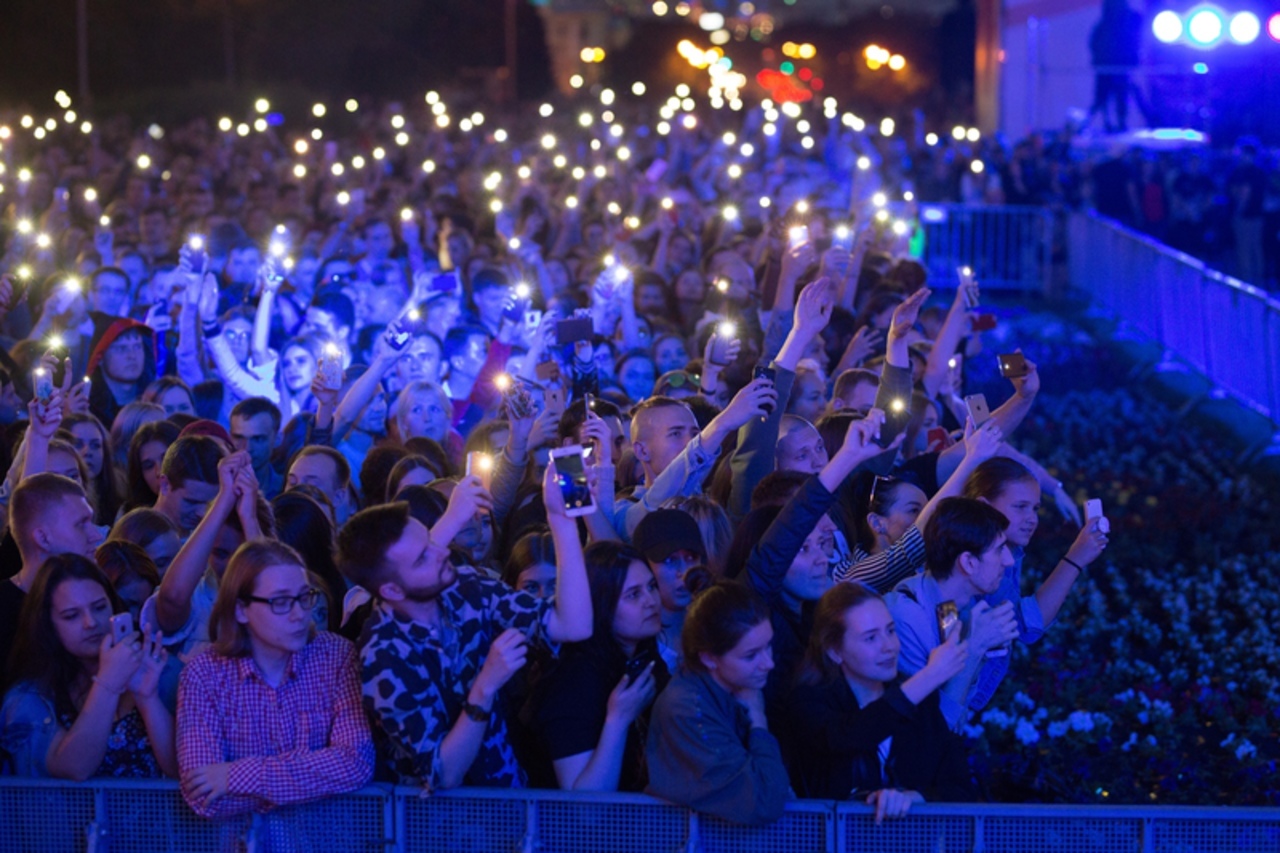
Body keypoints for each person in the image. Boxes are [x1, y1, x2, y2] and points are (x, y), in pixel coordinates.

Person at [337, 463, 591, 789]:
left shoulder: (465, 587)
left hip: (508, 802)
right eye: (422, 557)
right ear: (391, 591)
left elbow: (572, 626)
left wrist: (561, 520)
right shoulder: (382, 655)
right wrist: (485, 685)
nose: (440, 552)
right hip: (439, 830)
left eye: (430, 543)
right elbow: (444, 774)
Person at [176, 540, 374, 819]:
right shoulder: (203, 675)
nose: (299, 614)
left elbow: (355, 764)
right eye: (280, 602)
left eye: (305, 597)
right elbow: (204, 797)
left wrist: (236, 775)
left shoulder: (336, 657)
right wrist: (311, 783)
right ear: (240, 609)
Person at [788, 583, 975, 814]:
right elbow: (850, 735)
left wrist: (916, 798)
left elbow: (959, 789)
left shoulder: (921, 701)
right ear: (834, 651)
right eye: (871, 638)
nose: (889, 647)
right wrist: (930, 676)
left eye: (890, 631)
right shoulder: (808, 702)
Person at [1, 554, 175, 779]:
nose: (91, 622)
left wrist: (147, 698)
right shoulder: (29, 698)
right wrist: (108, 683)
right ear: (48, 625)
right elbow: (74, 768)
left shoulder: (159, 669)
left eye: (100, 608)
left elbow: (181, 770)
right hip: (72, 814)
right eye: (71, 616)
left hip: (153, 814)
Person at [645, 575, 790, 825]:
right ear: (710, 658)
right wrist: (758, 722)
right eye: (751, 655)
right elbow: (764, 802)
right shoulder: (687, 711)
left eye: (768, 646)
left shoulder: (735, 685)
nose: (769, 663)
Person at [526, 542, 668, 792]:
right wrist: (619, 719)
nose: (651, 601)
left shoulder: (643, 656)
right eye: (634, 594)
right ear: (600, 605)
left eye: (652, 586)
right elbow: (585, 810)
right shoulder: (573, 679)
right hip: (564, 829)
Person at [3, 474, 106, 685]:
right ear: (43, 538)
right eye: (81, 524)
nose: (96, 535)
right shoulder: (3, 611)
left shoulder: (97, 590)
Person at [229, 397, 283, 499]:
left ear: (277, 439)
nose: (247, 448)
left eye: (258, 439)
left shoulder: (286, 489)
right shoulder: (213, 486)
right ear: (229, 436)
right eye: (239, 437)